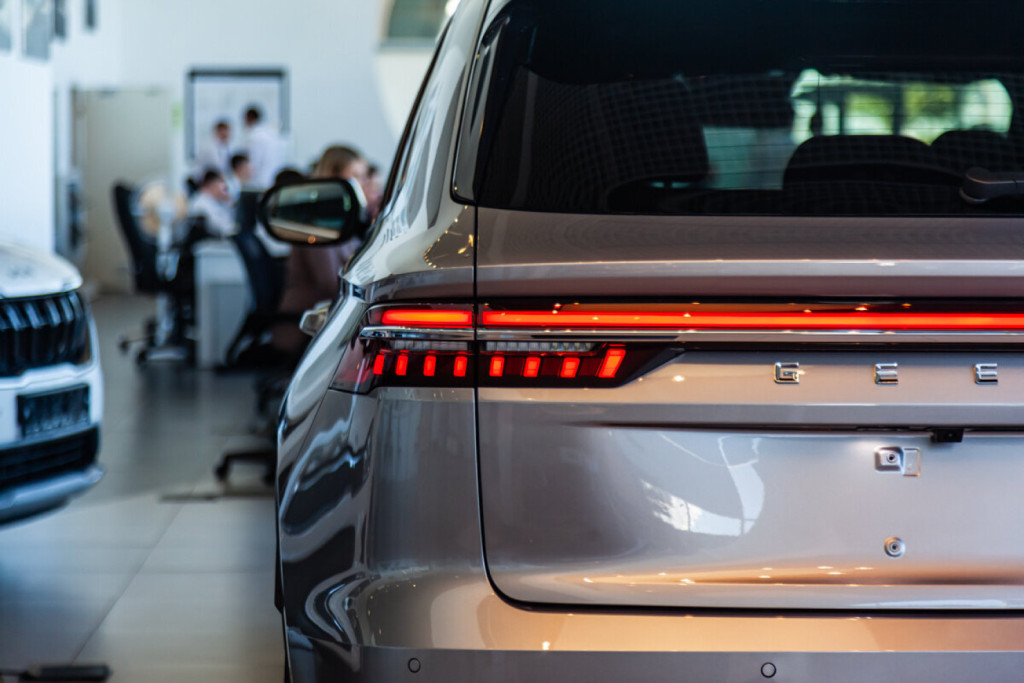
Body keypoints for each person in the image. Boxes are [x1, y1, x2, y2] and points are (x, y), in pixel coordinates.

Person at [271, 146, 370, 356]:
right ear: (333, 176)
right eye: (355, 176)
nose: (361, 183)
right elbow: (329, 284)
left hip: (325, 327)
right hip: (305, 329)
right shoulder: (316, 224)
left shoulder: (339, 221)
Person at [242, 106, 284, 189]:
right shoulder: (272, 134)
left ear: (249, 119)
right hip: (274, 178)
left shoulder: (254, 137)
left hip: (260, 181)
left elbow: (254, 162)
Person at [187, 169, 235, 238]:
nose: (225, 187)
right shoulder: (200, 204)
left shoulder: (215, 201)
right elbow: (221, 228)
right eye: (222, 182)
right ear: (212, 184)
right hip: (209, 241)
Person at [192, 120, 232, 184]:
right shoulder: (209, 146)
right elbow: (216, 167)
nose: (228, 135)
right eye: (225, 133)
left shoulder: (223, 147)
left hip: (213, 179)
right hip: (204, 181)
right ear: (218, 132)